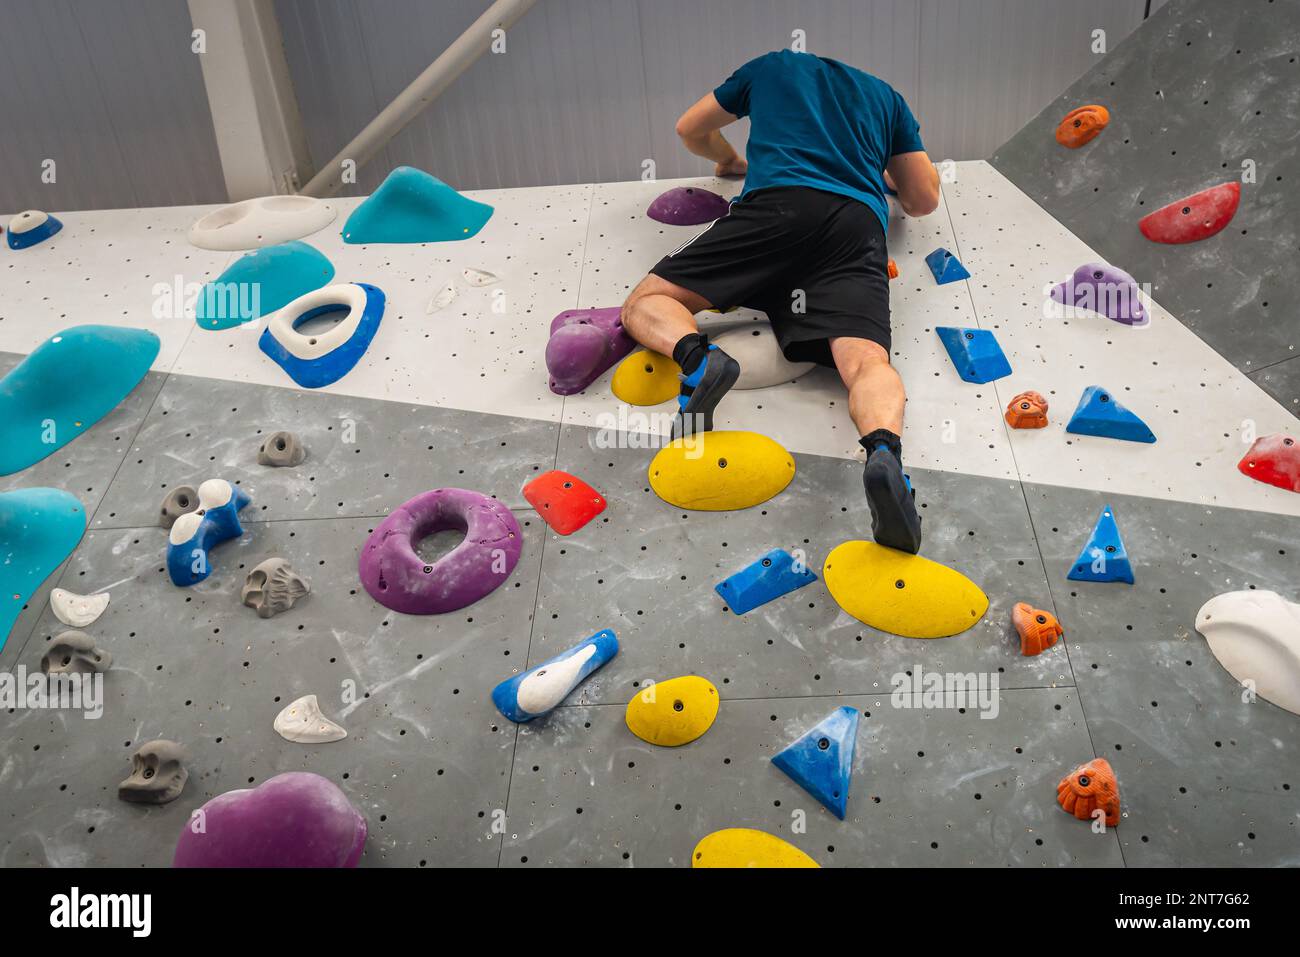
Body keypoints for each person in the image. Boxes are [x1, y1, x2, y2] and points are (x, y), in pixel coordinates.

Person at [619, 50, 939, 554]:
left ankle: (697, 359)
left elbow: (688, 128)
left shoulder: (771, 68)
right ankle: (883, 452)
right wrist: (881, 174)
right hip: (857, 228)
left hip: (779, 207)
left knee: (648, 300)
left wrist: (725, 159)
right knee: (865, 360)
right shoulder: (886, 98)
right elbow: (923, 200)